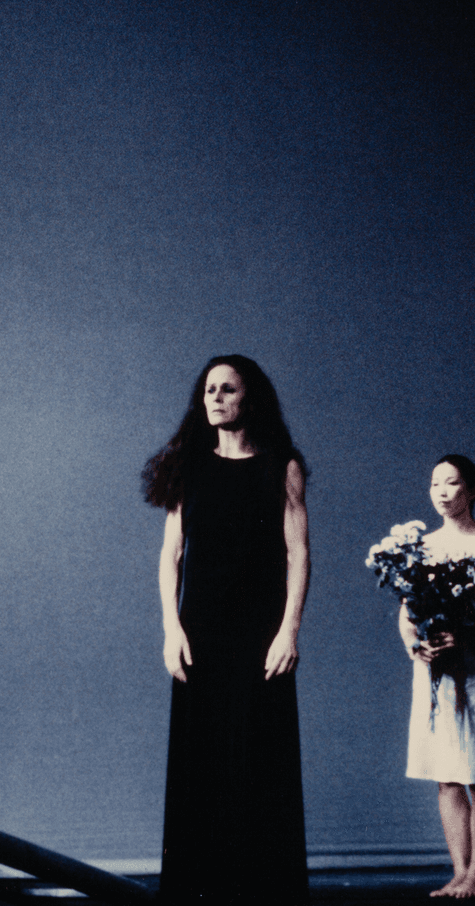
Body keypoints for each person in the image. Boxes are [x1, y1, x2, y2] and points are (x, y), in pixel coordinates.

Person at [142, 355, 310, 903]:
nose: (215, 398)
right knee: (202, 764)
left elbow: (298, 553)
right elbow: (170, 555)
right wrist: (171, 629)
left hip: (260, 635)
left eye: (227, 389)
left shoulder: (281, 465)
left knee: (260, 761)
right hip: (201, 633)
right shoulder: (190, 466)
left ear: (250, 399)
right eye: (209, 389)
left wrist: (289, 631)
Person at [400, 455, 475, 898]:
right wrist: (417, 646)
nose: (441, 492)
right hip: (434, 668)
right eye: (435, 483)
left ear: (470, 490)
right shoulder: (422, 545)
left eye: (451, 483)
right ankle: (458, 873)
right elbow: (407, 614)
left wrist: (469, 636)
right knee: (446, 773)